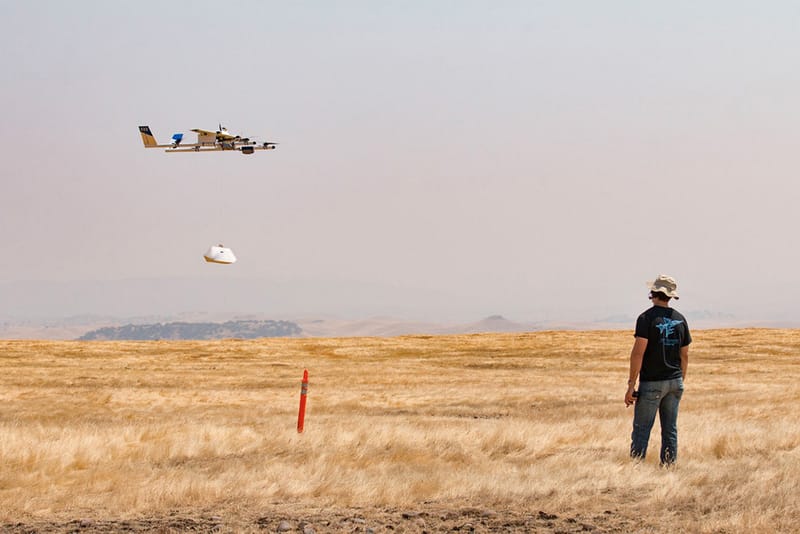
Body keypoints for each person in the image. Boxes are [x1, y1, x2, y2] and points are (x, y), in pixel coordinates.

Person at [625, 274, 691, 465]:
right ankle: (669, 467)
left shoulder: (646, 318)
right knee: (670, 429)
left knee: (642, 428)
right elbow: (684, 355)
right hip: (675, 381)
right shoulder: (681, 319)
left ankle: (636, 469)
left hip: (652, 382)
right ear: (670, 296)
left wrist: (631, 385)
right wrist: (680, 381)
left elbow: (638, 353)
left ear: (653, 293)